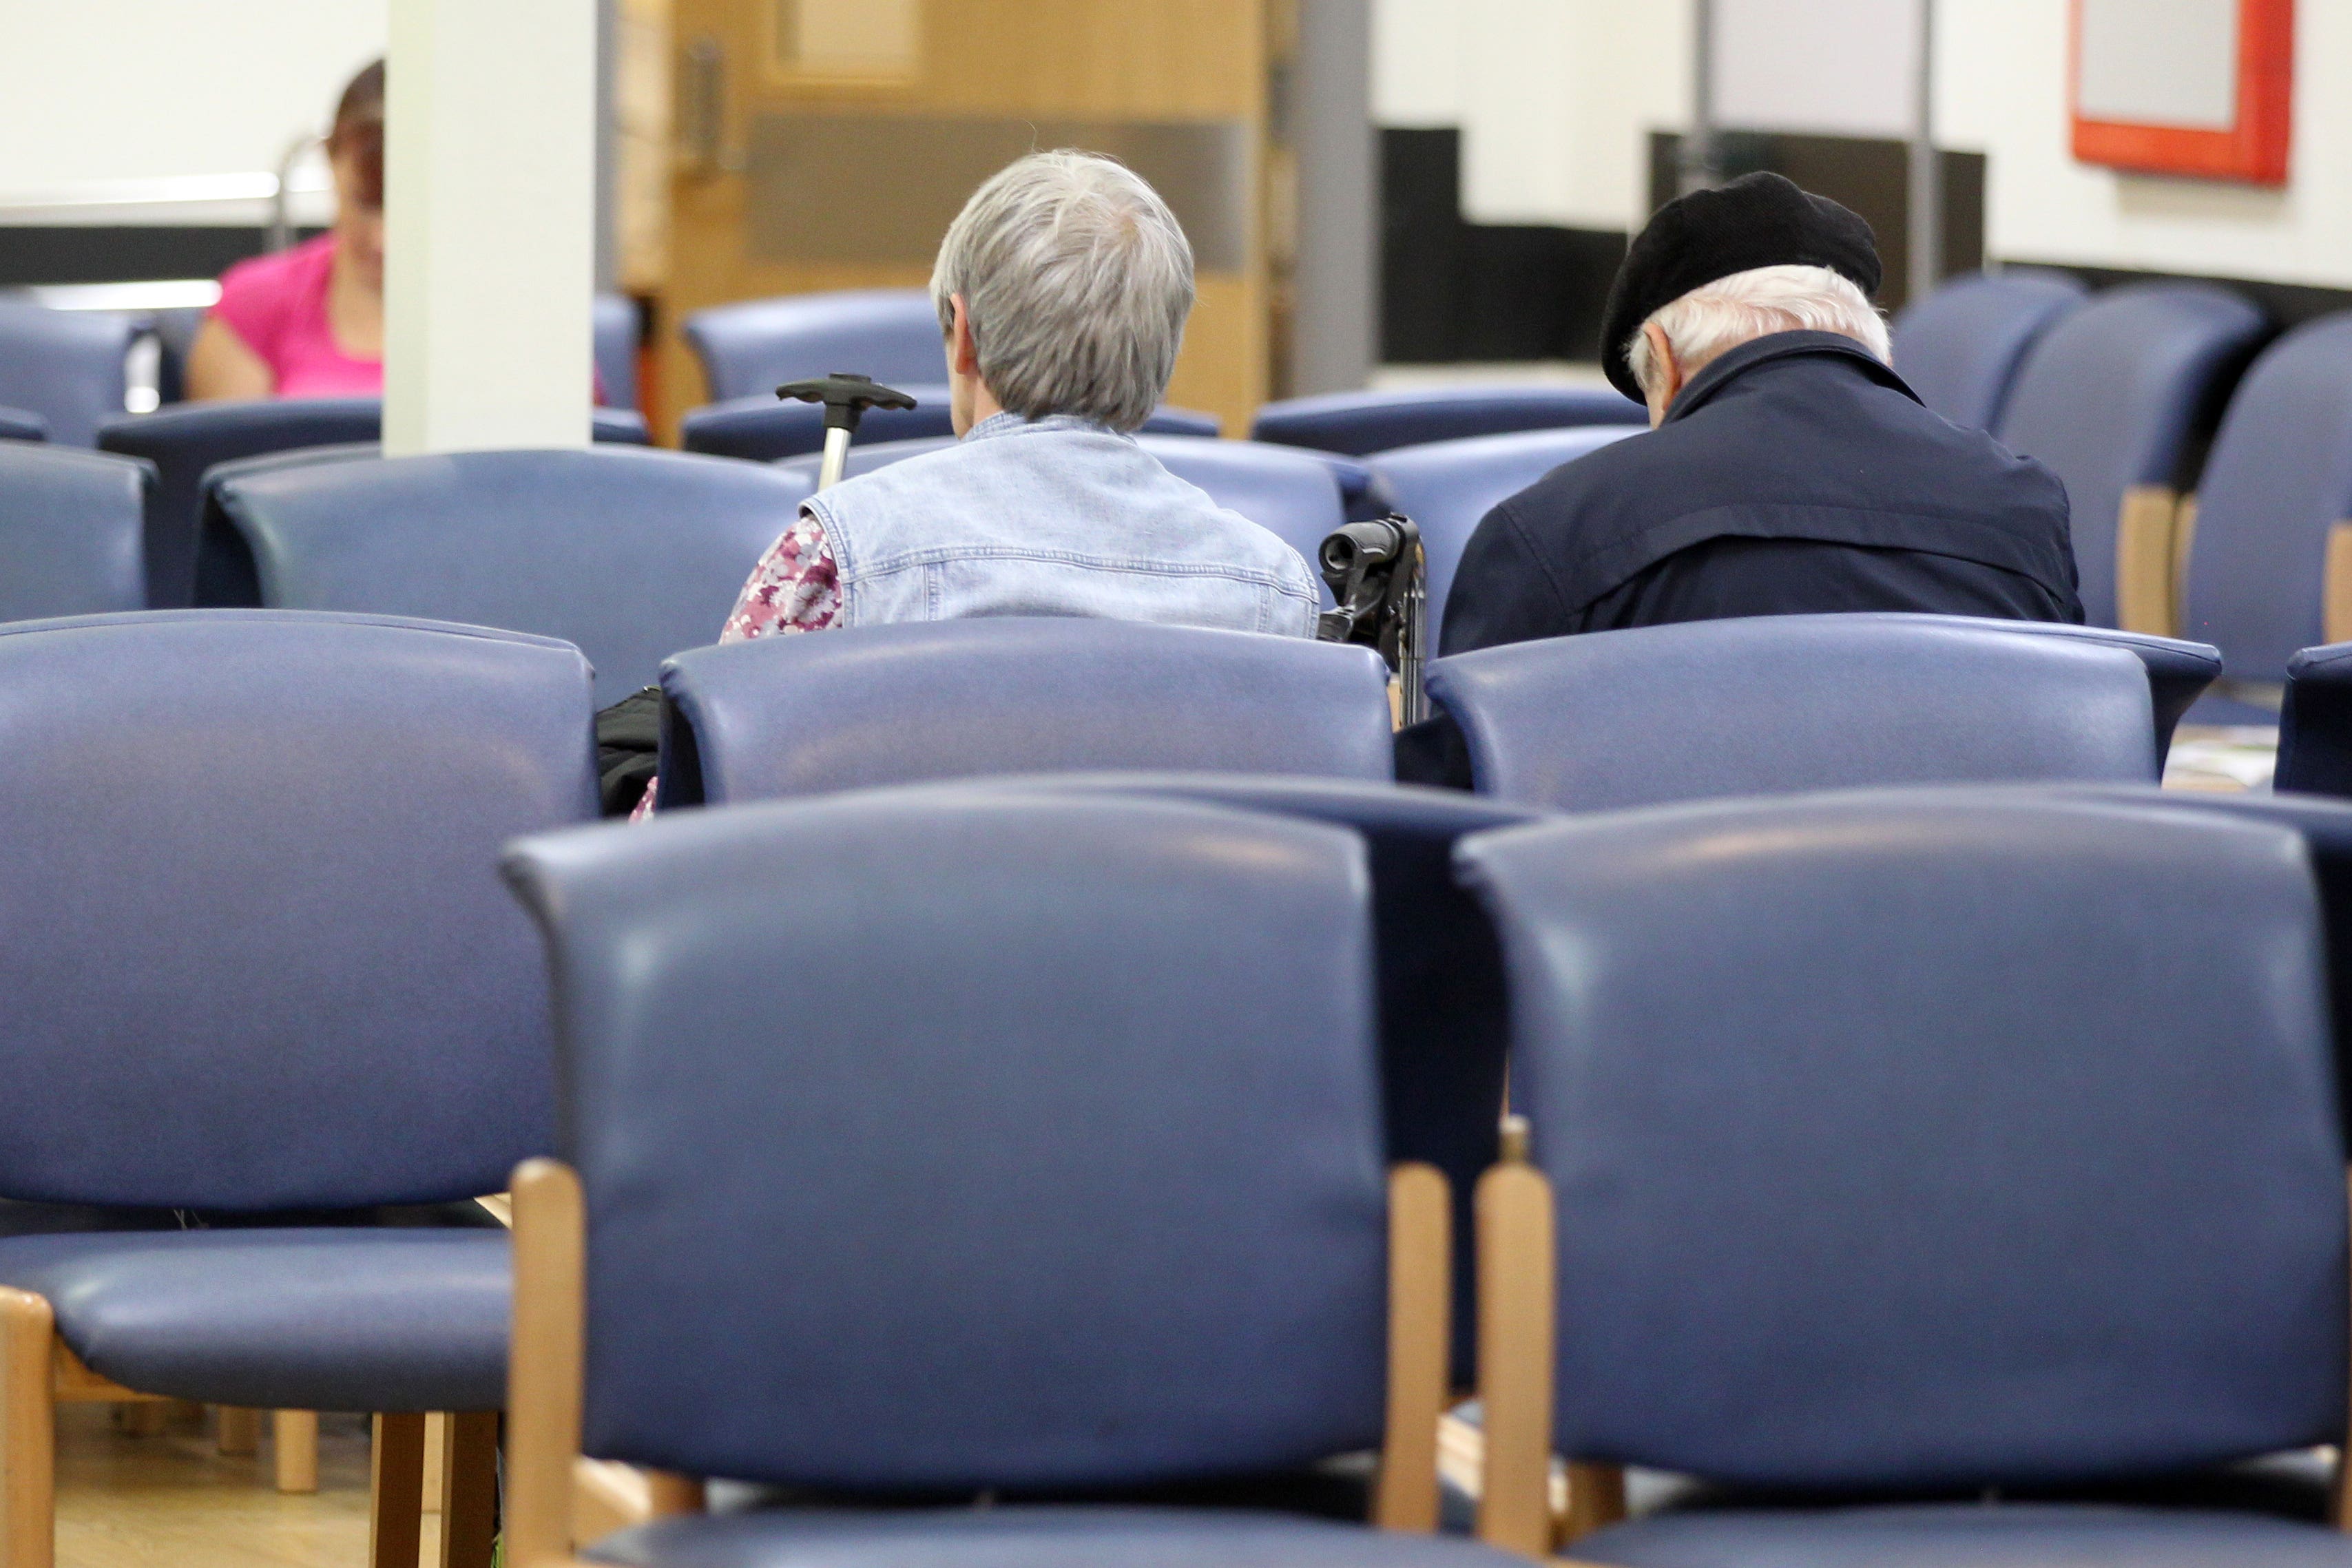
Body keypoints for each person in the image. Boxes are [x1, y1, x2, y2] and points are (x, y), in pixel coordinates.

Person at [612, 149, 1320, 816]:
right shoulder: (1275, 591)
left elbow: (681, 830)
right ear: (1163, 349)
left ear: (964, 332)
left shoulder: (837, 556)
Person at [1439, 171, 2081, 655]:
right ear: (1868, 341)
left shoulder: (1554, 530)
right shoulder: (2020, 506)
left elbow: (1468, 798)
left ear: (1662, 355)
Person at [187, 61, 384, 399]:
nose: (384, 241)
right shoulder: (256, 304)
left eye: (409, 213)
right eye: (364, 204)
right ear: (330, 159)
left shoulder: (491, 317)